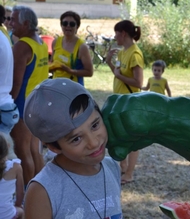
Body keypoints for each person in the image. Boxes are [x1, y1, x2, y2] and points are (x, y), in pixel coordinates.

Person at [23, 78, 122, 218]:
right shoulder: (42, 191)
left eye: (94, 125)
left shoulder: (112, 167)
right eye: (76, 139)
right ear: (53, 146)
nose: (93, 143)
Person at [9, 5, 48, 187]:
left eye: (13, 20)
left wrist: (7, 104)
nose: (10, 24)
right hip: (37, 105)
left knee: (23, 151)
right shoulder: (39, 42)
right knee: (35, 150)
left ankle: (27, 193)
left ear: (25, 23)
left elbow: (16, 83)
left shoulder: (22, 46)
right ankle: (41, 188)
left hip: (22, 106)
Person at [106, 19, 144, 185]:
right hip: (120, 101)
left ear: (123, 33)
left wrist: (119, 75)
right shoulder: (122, 52)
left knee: (133, 138)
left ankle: (129, 173)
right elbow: (118, 72)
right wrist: (109, 62)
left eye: (116, 33)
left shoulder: (135, 54)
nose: (115, 37)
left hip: (130, 102)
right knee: (121, 134)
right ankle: (123, 165)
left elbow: (138, 83)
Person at [49, 11, 93, 85]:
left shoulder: (82, 47)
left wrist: (69, 71)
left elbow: (89, 72)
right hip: (56, 85)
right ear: (61, 25)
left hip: (73, 88)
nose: (68, 26)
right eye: (65, 23)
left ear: (77, 27)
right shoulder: (56, 41)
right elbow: (52, 62)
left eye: (72, 24)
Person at [0, 132, 24, 219]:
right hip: (7, 215)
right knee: (21, 211)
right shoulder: (15, 167)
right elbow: (20, 193)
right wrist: (18, 205)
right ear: (8, 146)